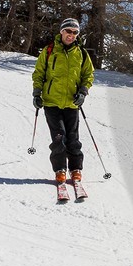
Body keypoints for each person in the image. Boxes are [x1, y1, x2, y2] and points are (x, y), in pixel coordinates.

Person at [31, 18, 95, 201]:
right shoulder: (50, 50)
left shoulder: (81, 53)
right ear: (61, 32)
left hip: (72, 104)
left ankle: (76, 170)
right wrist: (37, 93)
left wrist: (83, 92)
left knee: (73, 139)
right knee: (59, 138)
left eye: (75, 32)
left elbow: (88, 75)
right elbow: (39, 72)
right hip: (51, 103)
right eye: (68, 31)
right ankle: (60, 170)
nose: (71, 35)